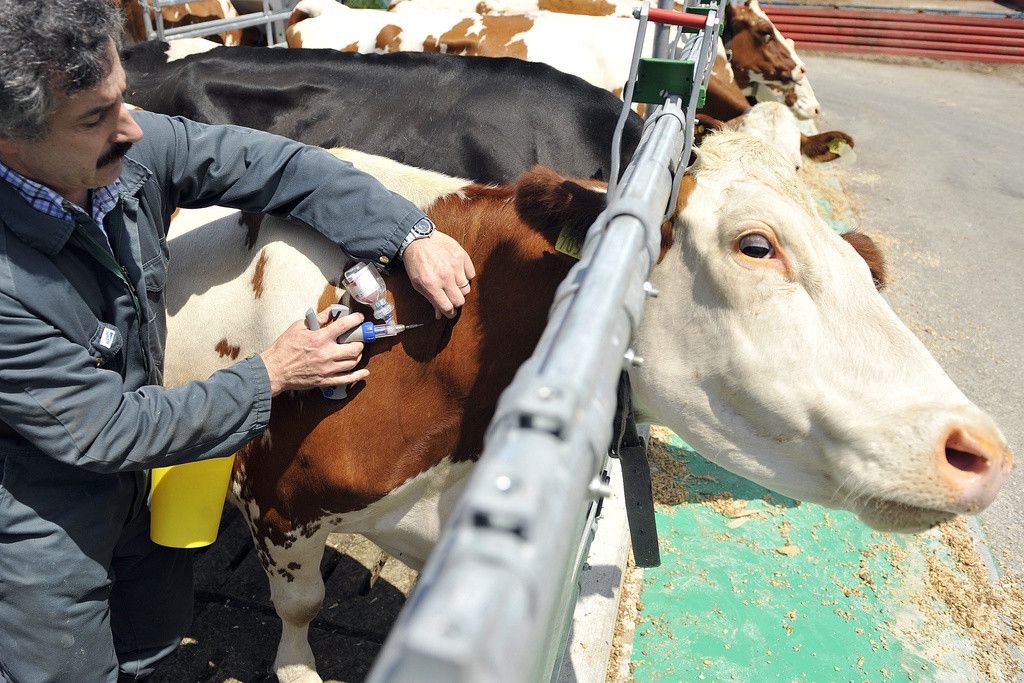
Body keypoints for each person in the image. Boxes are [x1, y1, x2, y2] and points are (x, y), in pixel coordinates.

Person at [0, 2, 476, 681]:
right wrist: (273, 373)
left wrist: (408, 232)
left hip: (142, 490)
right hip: (44, 520)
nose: (131, 127)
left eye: (122, 99)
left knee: (151, 638)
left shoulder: (125, 156)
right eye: (93, 118)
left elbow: (276, 164)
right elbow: (104, 430)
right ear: (9, 138)